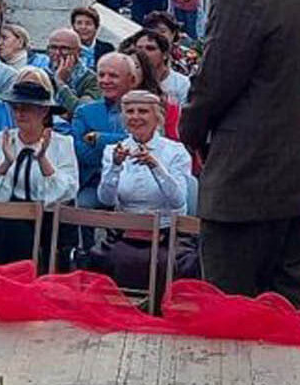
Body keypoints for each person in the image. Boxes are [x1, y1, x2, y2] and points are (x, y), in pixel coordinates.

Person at [178, 0, 300, 303]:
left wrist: (190, 132)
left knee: (229, 318)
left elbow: (214, 84)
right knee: (291, 312)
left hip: (242, 184)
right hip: (298, 178)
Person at [0, 68, 79, 267]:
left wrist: (44, 160)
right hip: (4, 221)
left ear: (44, 111)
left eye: (27, 108)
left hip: (48, 223)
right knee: (10, 229)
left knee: (24, 232)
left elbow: (66, 194)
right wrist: (5, 164)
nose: (19, 113)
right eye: (16, 107)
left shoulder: (63, 144)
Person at [90, 89, 196, 291]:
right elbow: (105, 199)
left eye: (143, 111)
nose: (136, 117)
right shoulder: (113, 150)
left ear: (157, 117)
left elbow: (179, 201)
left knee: (168, 262)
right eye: (130, 112)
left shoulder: (176, 151)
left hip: (167, 232)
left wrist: (156, 167)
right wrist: (115, 167)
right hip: (126, 231)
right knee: (105, 258)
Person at [70, 51, 143, 208]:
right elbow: (82, 154)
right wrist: (123, 141)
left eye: (113, 76)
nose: (105, 81)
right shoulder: (85, 111)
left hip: (140, 184)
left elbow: (145, 147)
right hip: (95, 184)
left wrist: (99, 138)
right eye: (101, 75)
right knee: (81, 207)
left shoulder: (147, 109)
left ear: (132, 80)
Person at [44, 27, 101, 113]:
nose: (58, 53)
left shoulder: (91, 79)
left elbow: (83, 111)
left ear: (78, 52)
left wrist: (61, 83)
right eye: (53, 48)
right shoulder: (40, 75)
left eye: (64, 48)